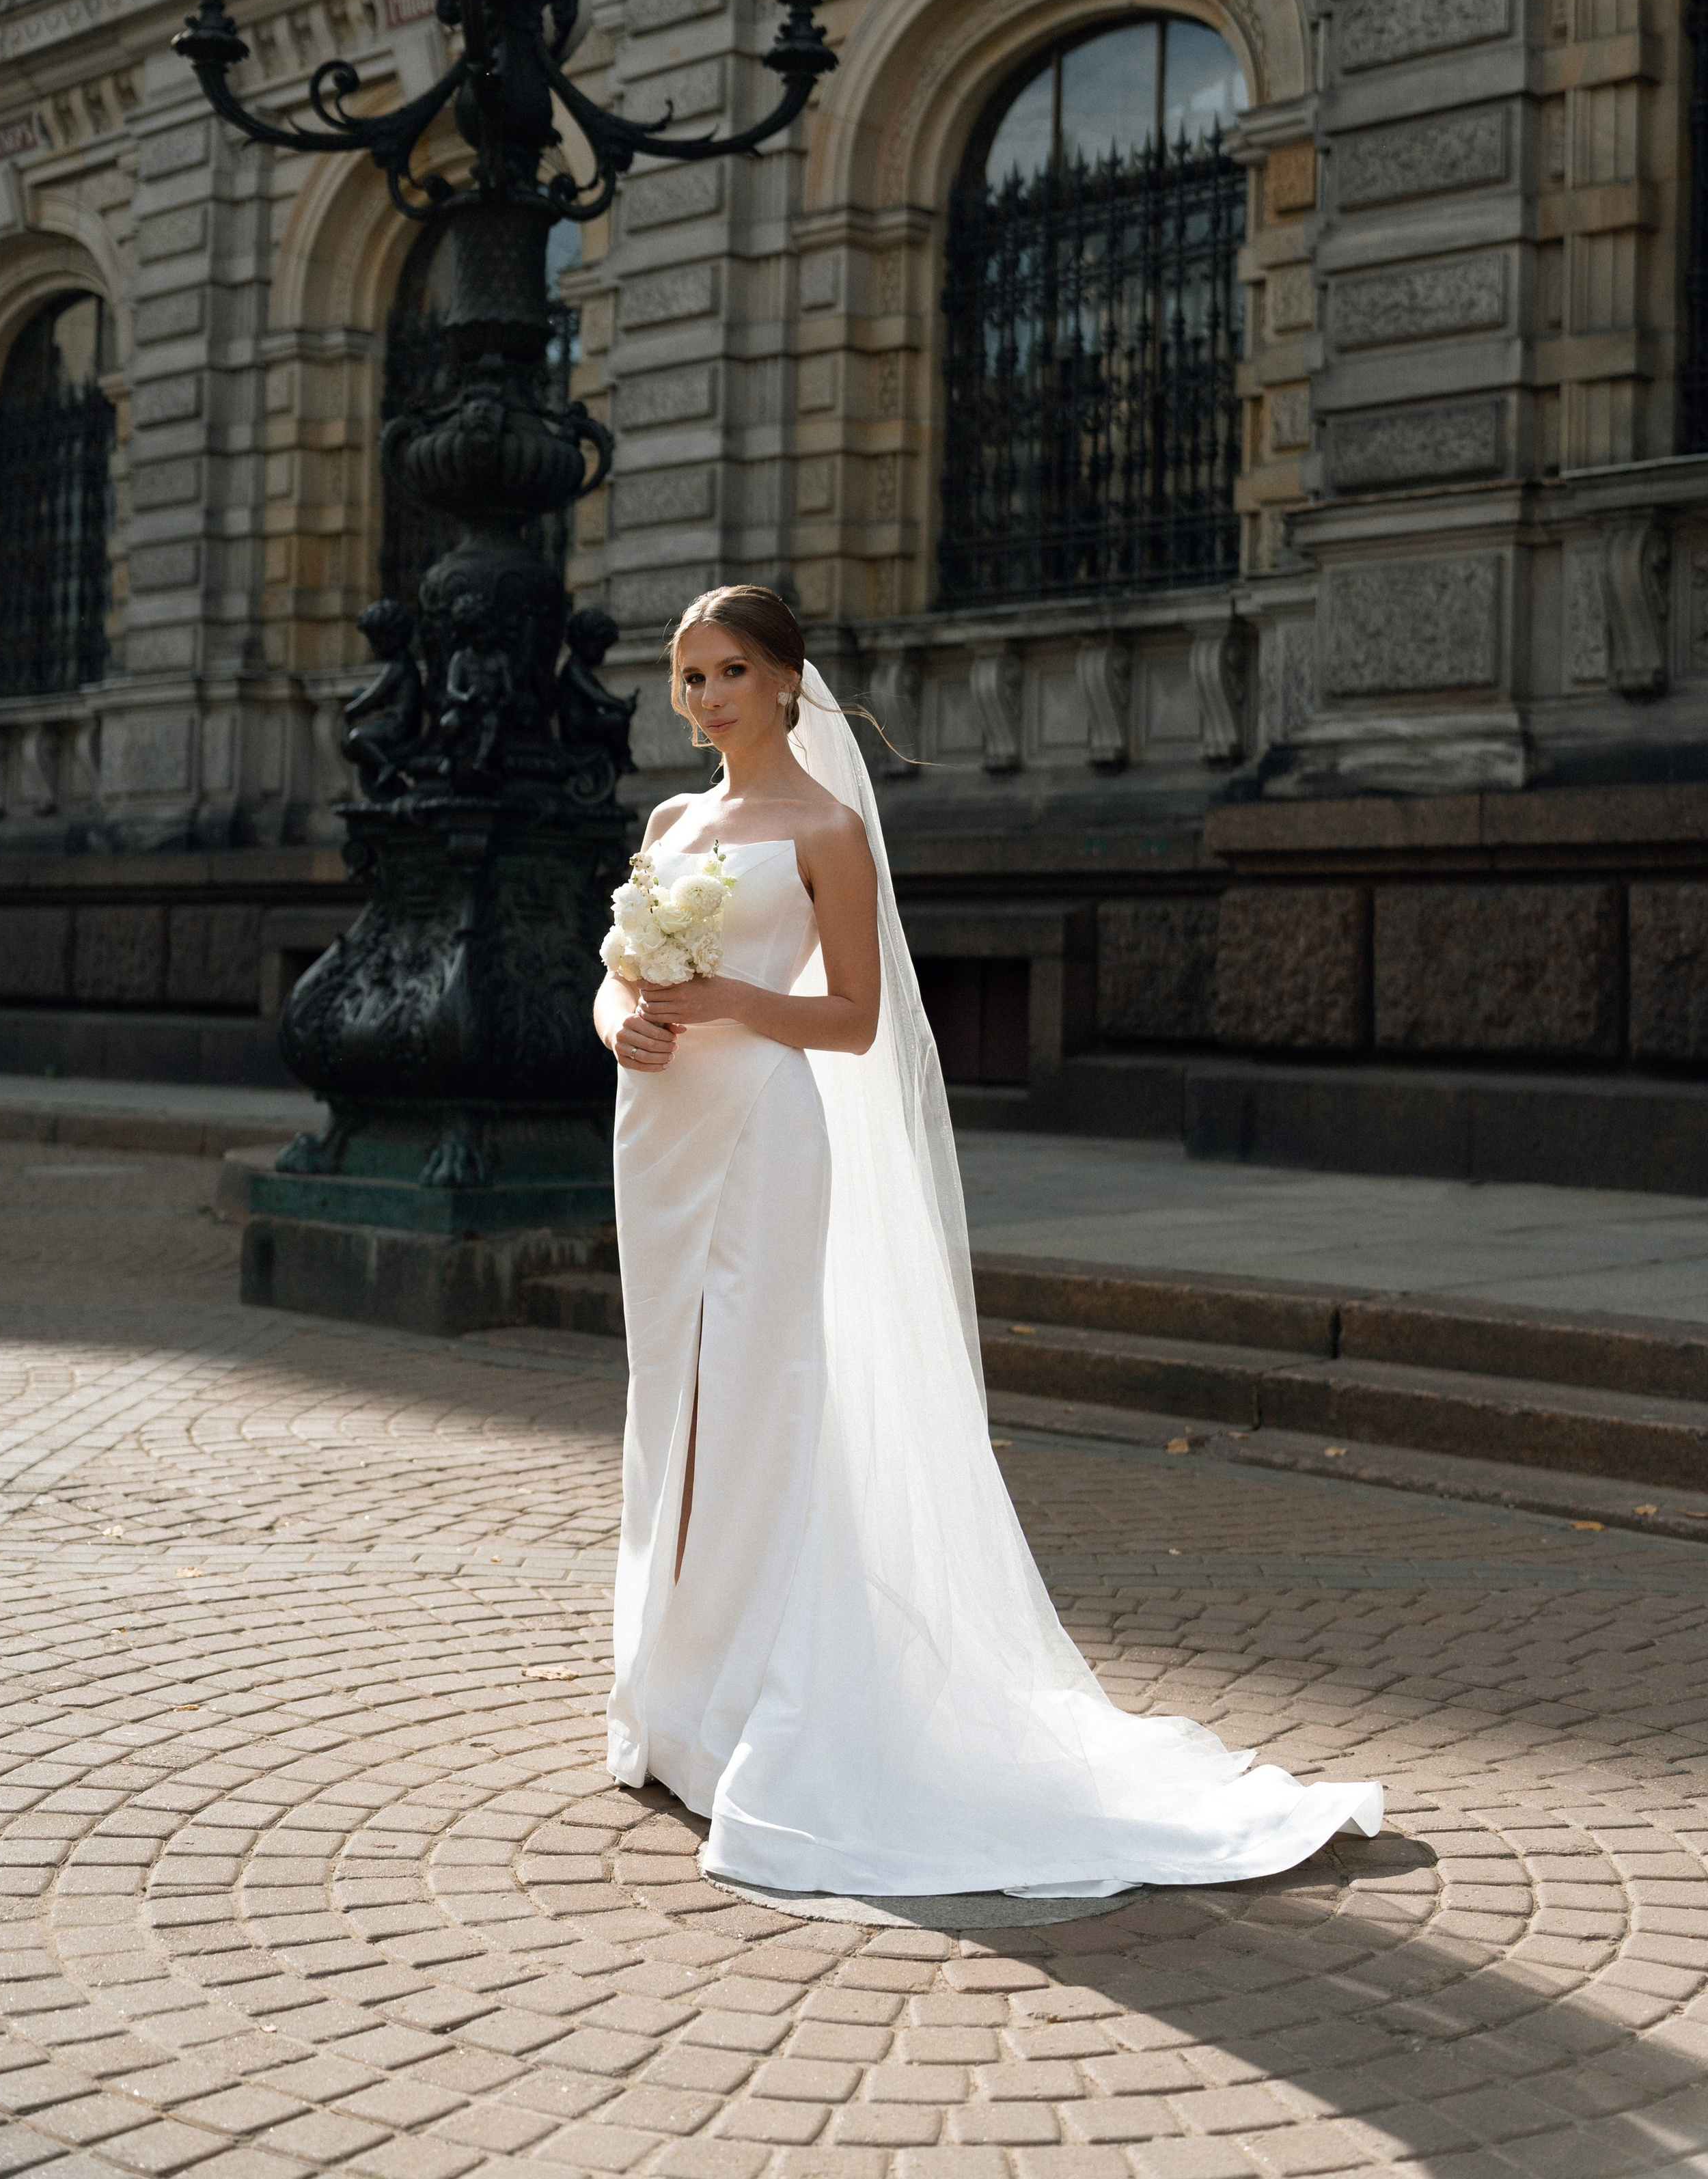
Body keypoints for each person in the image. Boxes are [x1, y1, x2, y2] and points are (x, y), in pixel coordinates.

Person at [592, 583, 1383, 1897]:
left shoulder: (828, 829)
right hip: (656, 1141)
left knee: (754, 1399)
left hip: (764, 1138)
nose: (706, 700)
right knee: (664, 1402)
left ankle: (752, 1702)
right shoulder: (672, 821)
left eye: (728, 672)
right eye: (686, 680)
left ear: (788, 680)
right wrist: (621, 1023)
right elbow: (615, 971)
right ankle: (674, 1699)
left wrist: (727, 994)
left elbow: (853, 1020)